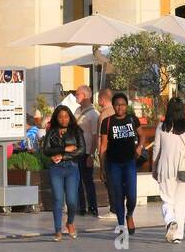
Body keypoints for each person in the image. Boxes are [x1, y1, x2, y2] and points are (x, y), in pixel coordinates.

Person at [152, 97, 185, 243]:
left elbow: (156, 149)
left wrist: (154, 167)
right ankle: (178, 236)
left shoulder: (161, 127)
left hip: (166, 167)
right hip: (184, 168)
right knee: (181, 204)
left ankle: (170, 221)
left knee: (167, 200)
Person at [99, 92, 143, 236]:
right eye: (117, 104)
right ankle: (121, 224)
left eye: (123, 104)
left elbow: (142, 136)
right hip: (113, 163)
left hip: (129, 162)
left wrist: (139, 148)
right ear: (113, 105)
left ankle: (129, 214)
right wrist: (102, 167)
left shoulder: (132, 119)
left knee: (132, 195)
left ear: (127, 106)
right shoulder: (108, 122)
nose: (120, 107)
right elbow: (103, 146)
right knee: (118, 195)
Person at [41, 104, 86, 241]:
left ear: (70, 117)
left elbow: (81, 150)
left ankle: (70, 222)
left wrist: (63, 156)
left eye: (66, 116)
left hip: (72, 168)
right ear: (56, 118)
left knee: (72, 201)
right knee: (58, 199)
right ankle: (57, 230)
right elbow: (46, 150)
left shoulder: (76, 130)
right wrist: (65, 148)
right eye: (60, 116)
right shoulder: (51, 131)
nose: (63, 119)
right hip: (56, 169)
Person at [75, 85, 101, 216]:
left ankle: (92, 206)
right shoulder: (77, 111)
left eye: (77, 94)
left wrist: (91, 154)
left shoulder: (93, 114)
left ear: (84, 96)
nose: (75, 96)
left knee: (88, 180)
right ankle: (81, 207)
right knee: (77, 180)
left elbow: (96, 136)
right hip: (77, 151)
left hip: (87, 152)